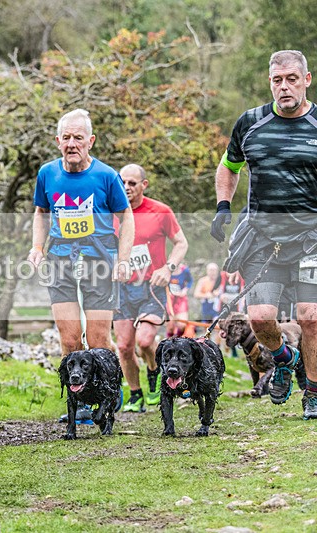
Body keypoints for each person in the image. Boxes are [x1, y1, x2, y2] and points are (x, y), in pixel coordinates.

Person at [210, 49, 317, 419]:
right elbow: (229, 166)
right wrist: (224, 205)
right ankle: (285, 360)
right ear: (269, 82)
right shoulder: (250, 123)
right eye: (277, 80)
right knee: (259, 318)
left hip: (310, 238)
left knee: (311, 315)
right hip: (262, 239)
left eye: (291, 79)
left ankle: (313, 394)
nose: (284, 87)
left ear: (306, 80)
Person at [28, 108, 134, 423]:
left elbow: (126, 216)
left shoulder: (105, 175)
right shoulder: (47, 173)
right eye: (66, 138)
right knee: (70, 339)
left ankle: (110, 391)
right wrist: (37, 247)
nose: (72, 143)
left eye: (78, 138)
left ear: (90, 141)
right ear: (58, 141)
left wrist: (123, 259)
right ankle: (81, 403)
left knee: (98, 340)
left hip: (99, 261)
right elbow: (41, 212)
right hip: (61, 260)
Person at [113, 164, 188, 412]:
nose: (126, 187)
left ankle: (155, 373)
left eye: (132, 183)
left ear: (144, 185)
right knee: (124, 346)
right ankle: (135, 394)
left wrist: (168, 268)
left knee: (145, 342)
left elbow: (181, 243)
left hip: (151, 288)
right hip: (121, 289)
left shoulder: (160, 211)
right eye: (122, 182)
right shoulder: (111, 213)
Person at [166, 262, 193, 338]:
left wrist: (185, 290)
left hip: (180, 299)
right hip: (169, 299)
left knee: (182, 325)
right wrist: (167, 292)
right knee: (170, 326)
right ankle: (169, 343)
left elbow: (190, 281)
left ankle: (176, 340)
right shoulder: (166, 270)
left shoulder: (185, 270)